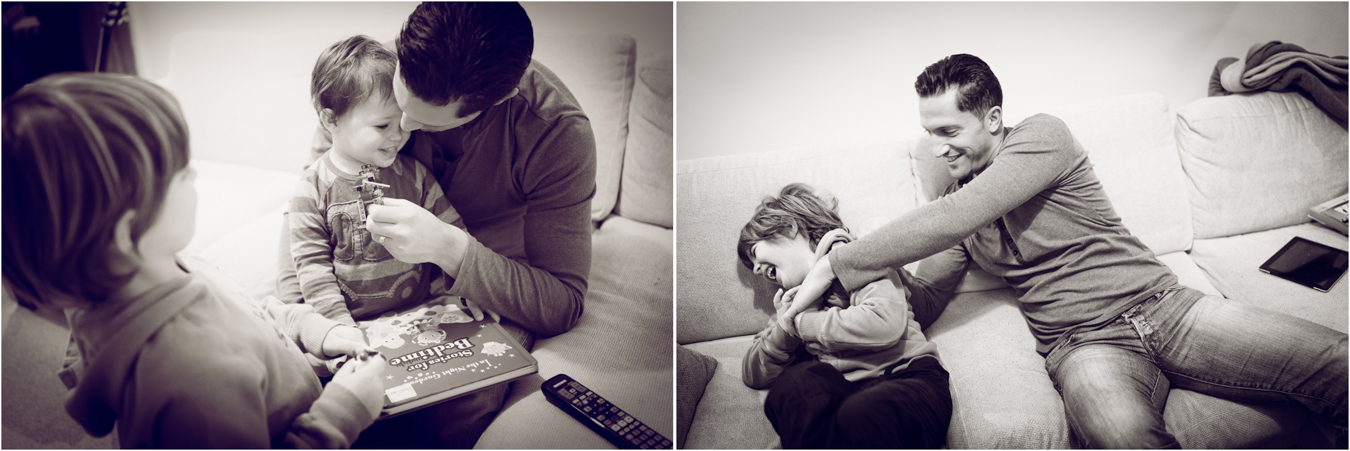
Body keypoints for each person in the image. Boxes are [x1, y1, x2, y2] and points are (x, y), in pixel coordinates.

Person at [785, 53, 1348, 448]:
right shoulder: (956, 210)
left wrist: (836, 265)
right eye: (929, 133)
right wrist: (846, 282)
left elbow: (959, 214)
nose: (937, 149)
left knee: (1337, 362)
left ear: (993, 119)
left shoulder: (1043, 137)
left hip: (1165, 308)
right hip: (1083, 346)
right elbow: (925, 300)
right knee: (1122, 439)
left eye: (948, 131)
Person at [1, 72, 389, 448]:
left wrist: (311, 329)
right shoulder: (193, 381)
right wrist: (341, 414)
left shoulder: (170, 266)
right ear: (129, 231)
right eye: (180, 172)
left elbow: (247, 313)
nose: (194, 172)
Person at [276, 2, 596, 447]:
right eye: (396, 107)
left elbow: (562, 303)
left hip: (482, 274)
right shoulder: (368, 76)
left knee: (465, 396)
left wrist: (450, 249)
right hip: (354, 299)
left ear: (499, 100)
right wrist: (309, 326)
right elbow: (308, 215)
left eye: (424, 121)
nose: (403, 129)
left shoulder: (556, 133)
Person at [290, 34, 486, 330]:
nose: (399, 135)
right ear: (330, 120)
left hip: (420, 315)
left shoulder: (416, 176)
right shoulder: (311, 189)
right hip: (350, 325)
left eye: (402, 121)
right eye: (382, 125)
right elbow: (312, 269)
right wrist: (340, 330)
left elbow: (454, 232)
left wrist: (468, 290)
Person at [738, 183, 951, 448]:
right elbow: (752, 374)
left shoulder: (856, 257)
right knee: (791, 387)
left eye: (755, 253)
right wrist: (785, 329)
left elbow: (885, 323)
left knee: (860, 413)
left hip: (910, 380)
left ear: (789, 228)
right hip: (847, 393)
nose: (756, 270)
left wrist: (803, 323)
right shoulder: (792, 302)